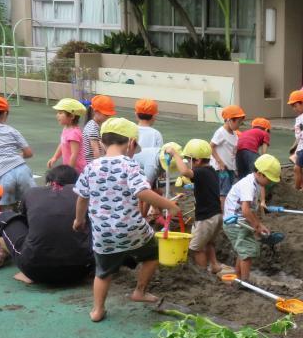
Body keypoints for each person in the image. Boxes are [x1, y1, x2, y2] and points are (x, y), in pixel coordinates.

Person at [73, 117, 181, 323]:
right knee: (153, 253)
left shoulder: (91, 167)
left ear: (103, 142)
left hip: (103, 234)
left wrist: (79, 220)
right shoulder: (129, 165)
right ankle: (139, 291)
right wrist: (169, 205)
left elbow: (81, 199)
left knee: (103, 273)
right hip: (132, 229)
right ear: (131, 143)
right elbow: (142, 191)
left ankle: (97, 310)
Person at [0, 165, 94, 285]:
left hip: (34, 270)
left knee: (6, 217)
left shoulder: (32, 193)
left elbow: (26, 222)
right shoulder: (84, 194)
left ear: (49, 181)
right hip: (82, 269)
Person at [166, 139, 222, 275]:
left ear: (196, 161)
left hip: (206, 218)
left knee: (196, 248)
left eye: (188, 159)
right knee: (209, 242)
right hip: (217, 215)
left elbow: (185, 172)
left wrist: (174, 153)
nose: (187, 162)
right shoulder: (211, 171)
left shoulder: (201, 172)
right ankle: (214, 266)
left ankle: (203, 274)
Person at [222, 153, 281, 283]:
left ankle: (238, 278)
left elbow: (251, 210)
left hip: (240, 221)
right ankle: (245, 282)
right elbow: (245, 210)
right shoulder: (248, 185)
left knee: (243, 250)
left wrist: (259, 225)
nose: (270, 182)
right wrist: (257, 226)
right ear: (260, 173)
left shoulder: (256, 183)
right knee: (247, 251)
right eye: (269, 179)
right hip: (234, 223)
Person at [211, 104, 245, 205]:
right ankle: (224, 216)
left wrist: (235, 169)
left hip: (230, 168)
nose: (239, 125)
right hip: (221, 169)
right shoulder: (221, 132)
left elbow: (232, 153)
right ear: (230, 120)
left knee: (228, 191)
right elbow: (210, 147)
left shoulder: (234, 134)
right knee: (224, 193)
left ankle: (223, 212)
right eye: (238, 122)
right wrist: (220, 162)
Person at [47, 98, 88, 173]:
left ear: (72, 116)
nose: (57, 115)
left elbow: (74, 154)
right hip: (70, 167)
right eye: (58, 112)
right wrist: (54, 157)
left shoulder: (74, 133)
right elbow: (62, 144)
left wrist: (68, 171)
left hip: (77, 170)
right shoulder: (66, 129)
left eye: (60, 113)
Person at [133, 98, 164, 187]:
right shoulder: (156, 134)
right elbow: (160, 156)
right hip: (150, 174)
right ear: (154, 116)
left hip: (132, 171)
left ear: (136, 114)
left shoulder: (132, 130)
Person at [82, 95, 116, 164]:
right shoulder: (93, 128)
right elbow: (95, 151)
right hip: (91, 163)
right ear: (96, 112)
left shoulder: (92, 124)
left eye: (109, 115)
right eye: (106, 115)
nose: (108, 117)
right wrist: (99, 166)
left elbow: (99, 142)